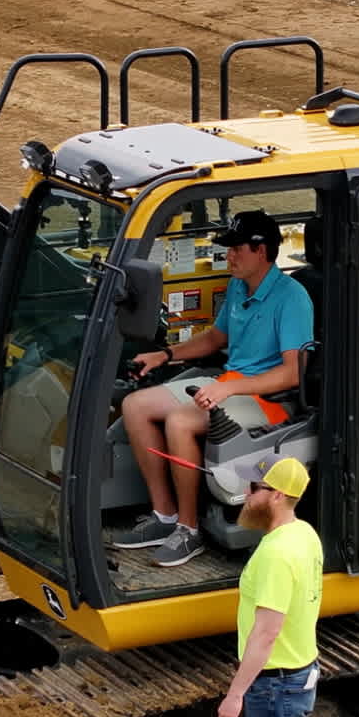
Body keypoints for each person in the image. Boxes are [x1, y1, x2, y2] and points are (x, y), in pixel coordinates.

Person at [110, 210, 314, 567]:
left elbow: (293, 373)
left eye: (237, 249)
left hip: (267, 400)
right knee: (135, 406)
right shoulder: (238, 286)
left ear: (262, 250)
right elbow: (216, 339)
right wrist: (165, 355)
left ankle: (189, 531)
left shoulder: (292, 298)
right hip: (229, 384)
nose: (229, 256)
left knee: (180, 421)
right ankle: (165, 516)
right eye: (228, 248)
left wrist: (230, 391)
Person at [216, 453, 322, 717]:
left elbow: (266, 632)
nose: (246, 494)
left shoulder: (276, 555)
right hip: (297, 676)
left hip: (275, 686)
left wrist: (234, 694)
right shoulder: (303, 534)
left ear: (276, 494)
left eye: (254, 488)